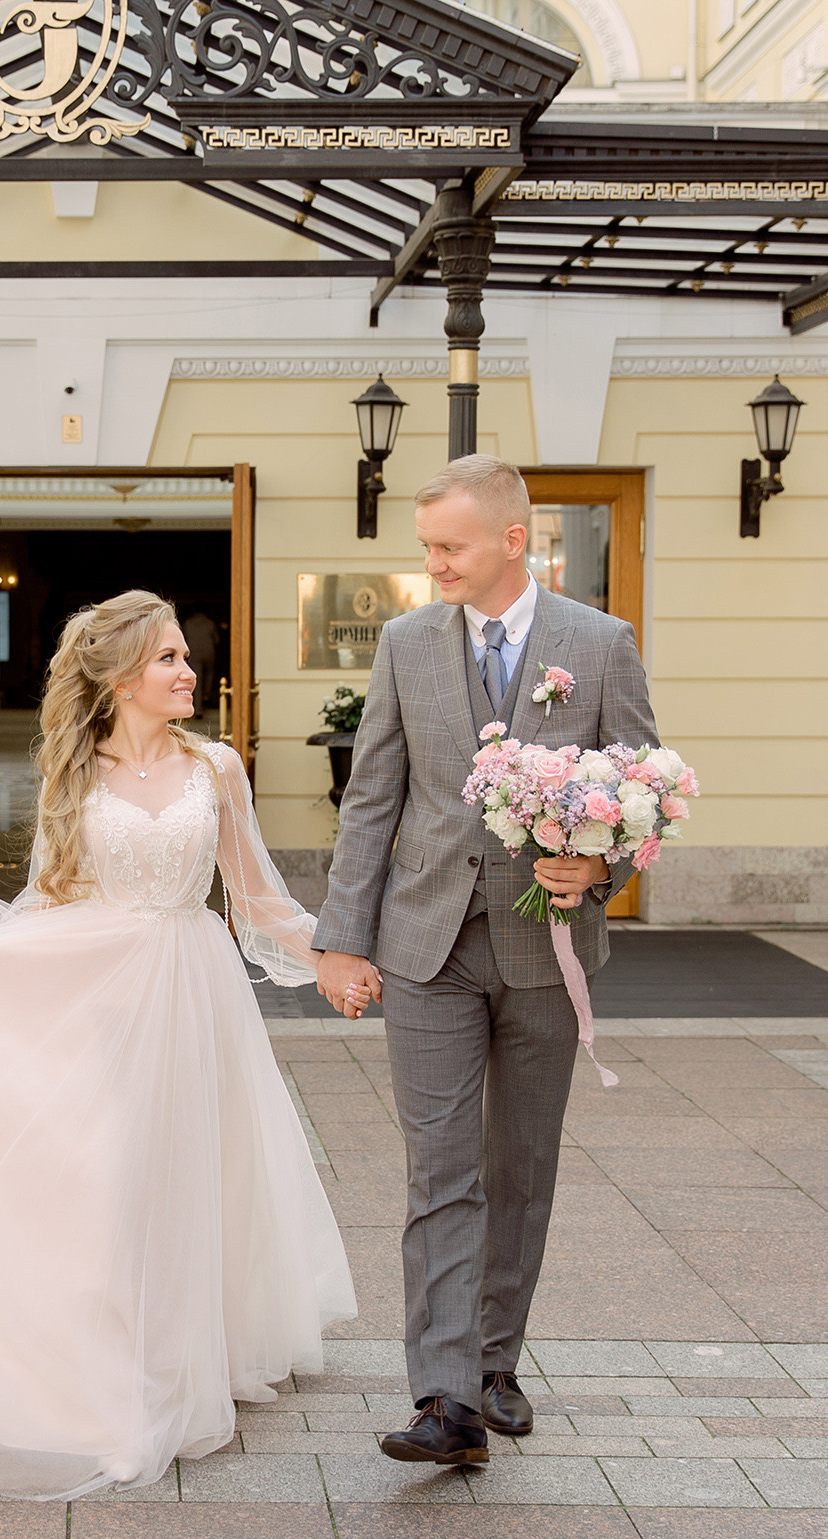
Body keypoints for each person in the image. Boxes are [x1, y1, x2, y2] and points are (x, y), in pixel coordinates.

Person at [0, 589, 358, 1500]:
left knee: (182, 1176)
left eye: (182, 655)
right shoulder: (73, 774)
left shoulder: (219, 768)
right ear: (123, 675)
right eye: (167, 657)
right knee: (105, 1179)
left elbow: (257, 894)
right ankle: (105, 1386)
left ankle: (175, 1357)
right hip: (97, 988)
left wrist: (330, 958)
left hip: (193, 991)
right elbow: (52, 896)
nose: (187, 669)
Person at [312, 454, 658, 1466]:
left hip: (544, 950)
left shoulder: (598, 644)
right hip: (425, 944)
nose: (433, 566)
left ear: (515, 538)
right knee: (439, 1168)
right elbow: (370, 796)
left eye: (449, 546)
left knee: (520, 1164)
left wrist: (595, 868)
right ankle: (445, 1393)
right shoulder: (405, 643)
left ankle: (497, 1358)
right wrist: (341, 934)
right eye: (425, 547)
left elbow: (644, 795)